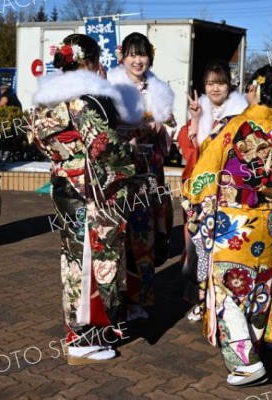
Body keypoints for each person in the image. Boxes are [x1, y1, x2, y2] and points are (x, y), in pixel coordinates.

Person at [182, 64, 272, 386]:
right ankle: (254, 343)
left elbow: (205, 173)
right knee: (259, 286)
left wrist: (195, 204)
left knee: (228, 290)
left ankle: (246, 363)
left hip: (235, 221)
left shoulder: (234, 127)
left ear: (256, 89)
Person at [29, 34, 135, 363]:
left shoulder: (45, 99)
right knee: (93, 260)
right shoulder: (84, 99)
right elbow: (108, 149)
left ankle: (81, 332)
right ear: (88, 61)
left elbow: (35, 137)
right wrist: (130, 163)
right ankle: (83, 338)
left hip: (63, 183)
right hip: (91, 190)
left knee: (73, 260)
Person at [107, 32, 176, 322]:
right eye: (133, 54)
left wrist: (163, 127)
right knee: (119, 236)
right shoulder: (112, 86)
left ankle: (139, 300)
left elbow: (171, 125)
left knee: (145, 235)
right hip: (123, 170)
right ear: (122, 56)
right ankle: (116, 301)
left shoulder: (157, 87)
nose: (138, 60)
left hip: (149, 171)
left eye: (143, 54)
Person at [178, 59, 247, 322]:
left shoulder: (241, 112)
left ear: (229, 84)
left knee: (222, 247)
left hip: (227, 190)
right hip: (200, 190)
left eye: (220, 83)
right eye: (210, 83)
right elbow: (191, 148)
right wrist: (195, 119)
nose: (215, 89)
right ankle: (199, 298)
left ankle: (221, 301)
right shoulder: (201, 109)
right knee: (197, 245)